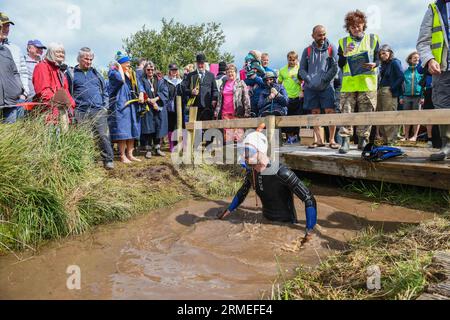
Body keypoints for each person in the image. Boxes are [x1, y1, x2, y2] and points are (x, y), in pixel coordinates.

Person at [218, 130, 318, 244]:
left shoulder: (282, 172)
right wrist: (229, 210)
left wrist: (309, 230)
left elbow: (308, 198)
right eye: (243, 151)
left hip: (286, 226)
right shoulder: (252, 173)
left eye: (248, 151)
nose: (244, 156)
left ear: (260, 150)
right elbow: (243, 192)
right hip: (264, 221)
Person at [337, 10, 380, 154]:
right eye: (352, 26)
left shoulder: (373, 39)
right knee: (346, 112)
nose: (356, 28)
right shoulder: (343, 42)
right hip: (349, 84)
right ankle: (345, 141)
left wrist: (375, 64)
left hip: (367, 83)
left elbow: (379, 59)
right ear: (348, 27)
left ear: (363, 24)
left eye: (358, 25)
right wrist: (344, 54)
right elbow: (341, 64)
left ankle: (363, 140)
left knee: (366, 112)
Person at [67, 47, 114, 170]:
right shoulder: (71, 74)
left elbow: (105, 91)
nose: (88, 62)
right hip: (80, 111)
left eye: (90, 59)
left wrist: (105, 107)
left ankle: (108, 160)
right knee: (84, 136)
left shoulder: (96, 73)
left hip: (98, 110)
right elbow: (67, 92)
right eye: (86, 59)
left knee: (103, 135)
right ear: (79, 58)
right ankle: (86, 160)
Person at [417, 0, 450, 161]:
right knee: (442, 106)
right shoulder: (434, 8)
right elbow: (423, 42)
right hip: (442, 69)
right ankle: (447, 145)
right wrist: (429, 60)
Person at [300, 25, 340, 149]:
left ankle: (332, 140)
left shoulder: (331, 48)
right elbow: (301, 69)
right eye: (319, 35)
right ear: (313, 36)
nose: (322, 37)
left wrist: (324, 79)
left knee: (330, 112)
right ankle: (319, 140)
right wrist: (308, 80)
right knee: (315, 112)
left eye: (324, 34)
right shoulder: (306, 50)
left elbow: (335, 67)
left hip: (327, 86)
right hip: (311, 88)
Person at [108, 51, 145, 164]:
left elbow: (140, 86)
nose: (129, 64)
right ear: (120, 63)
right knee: (123, 131)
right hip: (121, 104)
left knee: (132, 129)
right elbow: (121, 80)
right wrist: (119, 68)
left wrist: (141, 93)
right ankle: (123, 155)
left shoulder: (132, 73)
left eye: (129, 62)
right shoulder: (113, 73)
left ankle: (130, 154)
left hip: (132, 105)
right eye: (126, 62)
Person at [32, 42, 75, 126]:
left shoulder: (60, 72)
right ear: (50, 52)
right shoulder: (42, 67)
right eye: (58, 52)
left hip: (63, 115)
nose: (61, 54)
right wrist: (60, 105)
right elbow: (43, 91)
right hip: (48, 115)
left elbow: (66, 92)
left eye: (63, 52)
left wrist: (71, 105)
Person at [0, 12, 29, 122]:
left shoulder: (14, 48)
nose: (6, 28)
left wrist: (23, 92)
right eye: (3, 25)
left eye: (8, 26)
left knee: (15, 133)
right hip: (2, 100)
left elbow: (22, 72)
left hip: (16, 99)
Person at [214, 63, 251, 144]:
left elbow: (246, 98)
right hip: (225, 113)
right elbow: (219, 100)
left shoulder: (241, 83)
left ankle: (239, 155)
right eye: (228, 72)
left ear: (236, 73)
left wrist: (247, 112)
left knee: (238, 137)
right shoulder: (223, 84)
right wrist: (217, 111)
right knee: (228, 138)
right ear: (226, 73)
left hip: (237, 113)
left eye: (232, 71)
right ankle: (229, 155)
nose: (230, 73)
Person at [140, 61, 169, 158]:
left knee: (158, 128)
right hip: (147, 107)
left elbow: (165, 91)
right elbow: (140, 91)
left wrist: (156, 100)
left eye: (152, 69)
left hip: (158, 107)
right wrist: (149, 100)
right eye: (148, 69)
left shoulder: (160, 79)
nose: (150, 71)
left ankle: (157, 149)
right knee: (149, 129)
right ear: (145, 70)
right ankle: (148, 150)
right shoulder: (142, 80)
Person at [377, 44, 404, 145]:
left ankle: (391, 141)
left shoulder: (395, 62)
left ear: (390, 52)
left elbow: (401, 76)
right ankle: (385, 140)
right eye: (380, 54)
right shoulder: (383, 65)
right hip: (380, 90)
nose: (382, 56)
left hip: (388, 90)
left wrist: (392, 88)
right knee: (381, 116)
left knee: (388, 116)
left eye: (384, 53)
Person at [182, 53, 218, 122]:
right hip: (194, 107)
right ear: (196, 64)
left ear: (205, 64)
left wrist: (214, 99)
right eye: (199, 63)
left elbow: (215, 90)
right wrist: (191, 91)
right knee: (196, 129)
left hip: (207, 107)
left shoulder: (211, 75)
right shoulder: (191, 75)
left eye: (202, 63)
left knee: (207, 129)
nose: (200, 65)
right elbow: (184, 89)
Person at [279, 51, 303, 144]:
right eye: (290, 59)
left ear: (296, 59)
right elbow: (279, 83)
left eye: (294, 59)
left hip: (297, 96)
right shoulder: (282, 70)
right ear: (287, 59)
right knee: (287, 117)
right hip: (286, 97)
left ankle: (296, 136)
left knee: (297, 117)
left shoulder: (300, 69)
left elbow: (303, 82)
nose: (292, 61)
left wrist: (301, 90)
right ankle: (289, 137)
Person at [401, 51, 424, 142]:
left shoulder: (420, 71)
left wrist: (423, 96)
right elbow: (401, 85)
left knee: (416, 117)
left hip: (418, 97)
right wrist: (401, 97)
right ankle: (406, 136)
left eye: (418, 58)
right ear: (410, 59)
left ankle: (414, 136)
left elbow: (424, 85)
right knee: (406, 117)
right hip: (406, 96)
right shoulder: (405, 72)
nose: (417, 59)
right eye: (415, 57)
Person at [164, 63, 184, 153]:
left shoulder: (181, 81)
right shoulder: (166, 81)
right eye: (172, 70)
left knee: (179, 125)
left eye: (175, 70)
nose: (174, 72)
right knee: (171, 126)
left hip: (180, 106)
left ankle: (179, 143)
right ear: (169, 71)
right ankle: (171, 144)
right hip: (170, 107)